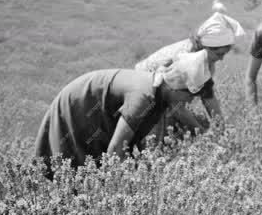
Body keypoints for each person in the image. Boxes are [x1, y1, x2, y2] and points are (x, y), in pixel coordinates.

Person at [34, 53, 211, 178]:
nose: (189, 101)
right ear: (176, 87)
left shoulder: (159, 92)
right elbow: (116, 150)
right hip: (78, 106)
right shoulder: (144, 97)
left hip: (91, 106)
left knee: (93, 171)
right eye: (190, 95)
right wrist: (135, 183)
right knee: (75, 172)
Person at [135, 11, 245, 135]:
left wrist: (221, 126)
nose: (221, 59)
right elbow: (177, 107)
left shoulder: (204, 60)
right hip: (144, 92)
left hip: (163, 98)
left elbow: (208, 96)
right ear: (206, 47)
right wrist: (201, 132)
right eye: (219, 54)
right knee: (161, 133)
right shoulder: (187, 60)